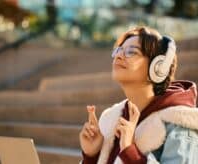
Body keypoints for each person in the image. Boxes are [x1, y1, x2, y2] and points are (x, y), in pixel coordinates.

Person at [79, 26, 198, 164]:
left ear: (158, 67)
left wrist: (130, 152)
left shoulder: (180, 125)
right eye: (118, 50)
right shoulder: (111, 119)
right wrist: (92, 156)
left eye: (131, 52)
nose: (118, 56)